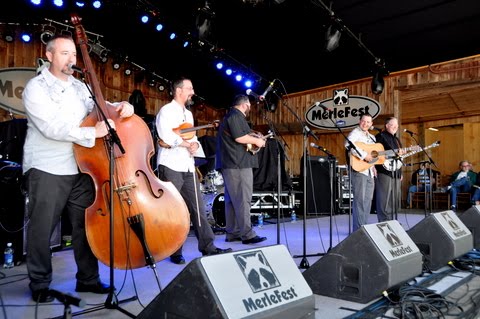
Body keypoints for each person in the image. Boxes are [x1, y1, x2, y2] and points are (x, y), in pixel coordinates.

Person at [22, 35, 135, 303]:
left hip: (81, 167)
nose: (72, 59)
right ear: (49, 55)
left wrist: (119, 107)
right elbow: (50, 128)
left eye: (73, 54)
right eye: (64, 53)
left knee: (87, 226)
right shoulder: (36, 88)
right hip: (48, 166)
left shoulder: (80, 87)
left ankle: (88, 279)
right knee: (42, 227)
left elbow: (99, 110)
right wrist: (91, 132)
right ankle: (39, 282)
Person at [155, 77, 232, 264]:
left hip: (187, 166)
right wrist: (184, 143)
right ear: (179, 91)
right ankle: (175, 251)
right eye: (190, 88)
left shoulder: (188, 114)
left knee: (197, 207)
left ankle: (208, 246)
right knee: (176, 211)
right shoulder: (166, 111)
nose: (193, 92)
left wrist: (194, 145)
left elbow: (193, 137)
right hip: (170, 165)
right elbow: (165, 136)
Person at [215, 94, 267, 244]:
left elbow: (241, 136)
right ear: (245, 105)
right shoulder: (236, 116)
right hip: (238, 164)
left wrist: (254, 137)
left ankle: (233, 232)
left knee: (232, 200)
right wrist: (257, 140)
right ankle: (248, 235)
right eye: (249, 105)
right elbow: (240, 138)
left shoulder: (231, 117)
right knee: (243, 199)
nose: (250, 108)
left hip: (231, 164)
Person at [345, 113, 376, 232]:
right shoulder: (355, 133)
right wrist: (363, 156)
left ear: (371, 124)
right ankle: (357, 230)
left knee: (368, 201)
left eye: (368, 122)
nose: (365, 124)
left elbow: (372, 154)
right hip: (359, 171)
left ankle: (363, 227)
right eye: (364, 121)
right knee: (359, 201)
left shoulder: (372, 137)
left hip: (369, 172)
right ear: (359, 121)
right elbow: (348, 145)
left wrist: (373, 166)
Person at [374, 117, 405, 222]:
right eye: (393, 125)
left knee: (394, 198)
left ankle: (391, 221)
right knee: (383, 198)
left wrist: (400, 172)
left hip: (396, 172)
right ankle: (383, 221)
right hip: (384, 171)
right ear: (387, 125)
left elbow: (400, 158)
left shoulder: (397, 140)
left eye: (397, 126)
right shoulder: (379, 137)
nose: (395, 127)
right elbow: (375, 154)